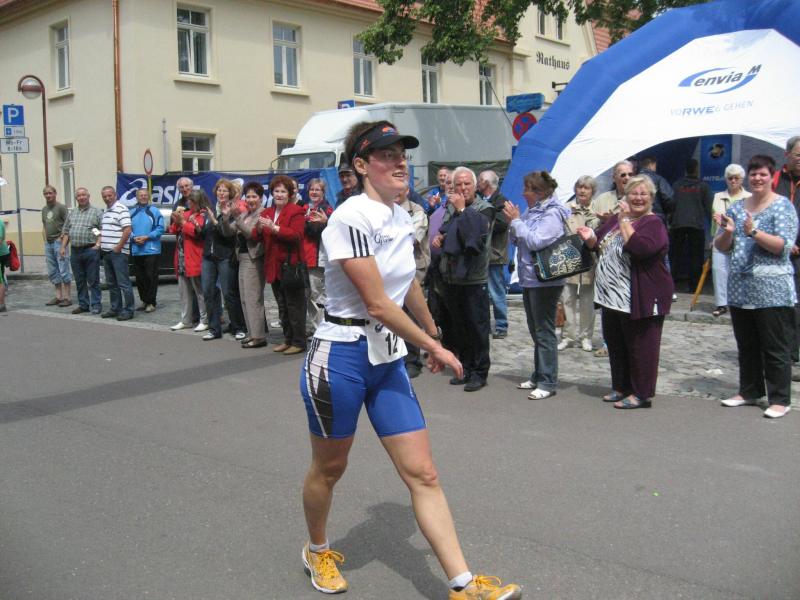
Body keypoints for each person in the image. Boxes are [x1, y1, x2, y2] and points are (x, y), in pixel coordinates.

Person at [299, 119, 521, 600]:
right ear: (361, 166)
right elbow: (377, 304)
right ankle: (317, 549)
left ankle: (462, 584)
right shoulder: (350, 217)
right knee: (329, 469)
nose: (399, 161)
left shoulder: (400, 215)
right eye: (386, 154)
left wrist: (432, 330)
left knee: (424, 474)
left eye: (402, 153)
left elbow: (406, 285)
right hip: (339, 356)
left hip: (385, 358)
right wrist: (434, 347)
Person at [577, 175, 674, 409]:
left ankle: (641, 394)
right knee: (616, 344)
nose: (638, 198)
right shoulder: (616, 219)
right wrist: (589, 237)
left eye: (643, 194)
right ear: (626, 196)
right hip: (612, 297)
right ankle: (621, 387)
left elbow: (641, 248)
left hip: (640, 296)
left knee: (642, 348)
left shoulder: (653, 223)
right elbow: (598, 243)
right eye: (633, 193)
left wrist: (624, 222)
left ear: (651, 198)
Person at [714, 155, 798, 419]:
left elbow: (783, 246)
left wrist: (753, 232)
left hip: (772, 289)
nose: (757, 178)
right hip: (741, 288)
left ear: (771, 177)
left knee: (775, 347)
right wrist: (729, 232)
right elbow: (721, 246)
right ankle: (749, 391)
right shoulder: (737, 208)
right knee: (747, 344)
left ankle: (780, 399)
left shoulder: (782, 206)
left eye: (763, 174)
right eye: (753, 174)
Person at [503, 171, 571, 400]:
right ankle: (539, 373)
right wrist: (513, 225)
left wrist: (516, 222)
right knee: (535, 330)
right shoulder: (532, 211)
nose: (523, 193)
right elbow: (519, 238)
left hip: (545, 280)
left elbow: (536, 241)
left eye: (527, 189)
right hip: (530, 277)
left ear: (539, 192)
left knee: (544, 330)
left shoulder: (552, 213)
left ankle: (548, 381)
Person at [434, 166, 495, 392]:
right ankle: (466, 369)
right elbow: (451, 231)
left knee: (477, 328)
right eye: (458, 184)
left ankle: (480, 372)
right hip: (452, 278)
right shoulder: (452, 208)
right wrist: (442, 238)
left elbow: (474, 237)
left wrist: (461, 210)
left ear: (475, 186)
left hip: (474, 278)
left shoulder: (485, 209)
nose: (462, 188)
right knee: (460, 328)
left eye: (466, 184)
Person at [255, 175, 307, 355]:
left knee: (295, 306)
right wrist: (259, 229)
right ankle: (288, 339)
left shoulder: (296, 211)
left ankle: (299, 342)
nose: (279, 194)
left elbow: (296, 236)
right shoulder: (267, 212)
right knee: (282, 306)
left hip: (291, 266)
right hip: (274, 266)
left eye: (283, 191)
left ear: (290, 194)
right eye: (276, 191)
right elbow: (257, 236)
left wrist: (274, 228)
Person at [199, 179, 246, 341]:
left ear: (230, 193)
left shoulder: (234, 210)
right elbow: (206, 233)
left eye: (225, 190)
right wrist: (198, 226)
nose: (221, 193)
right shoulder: (211, 208)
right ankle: (214, 329)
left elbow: (229, 234)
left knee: (228, 293)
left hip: (225, 255)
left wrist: (215, 220)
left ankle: (238, 327)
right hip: (208, 256)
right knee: (208, 291)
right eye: (219, 190)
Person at [223, 181, 268, 348]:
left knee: (253, 298)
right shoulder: (245, 214)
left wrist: (236, 217)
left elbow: (250, 234)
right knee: (244, 299)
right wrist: (226, 217)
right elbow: (229, 232)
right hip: (241, 258)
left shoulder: (262, 214)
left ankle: (259, 336)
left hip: (254, 259)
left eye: (254, 196)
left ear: (261, 198)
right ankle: (252, 333)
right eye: (248, 196)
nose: (250, 200)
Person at [559, 176, 600, 352]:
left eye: (586, 188)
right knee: (567, 299)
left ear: (592, 191)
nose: (582, 191)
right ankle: (568, 336)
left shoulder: (597, 210)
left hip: (589, 260)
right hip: (569, 258)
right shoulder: (566, 209)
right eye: (580, 187)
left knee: (587, 302)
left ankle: (585, 337)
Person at [772, 136, 800, 378]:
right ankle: (789, 355)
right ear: (787, 154)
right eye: (798, 155)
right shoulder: (774, 180)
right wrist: (784, 243)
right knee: (785, 307)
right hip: (778, 252)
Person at [396, 184, 430, 378]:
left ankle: (412, 360)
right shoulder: (384, 210)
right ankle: (396, 357)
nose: (396, 192)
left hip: (414, 268)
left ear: (408, 191)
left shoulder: (417, 211)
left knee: (411, 314)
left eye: (400, 189)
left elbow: (411, 239)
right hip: (392, 270)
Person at [710, 164, 750, 317]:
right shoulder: (718, 196)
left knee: (739, 270)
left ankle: (739, 300)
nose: (733, 181)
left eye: (736, 178)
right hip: (721, 236)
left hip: (741, 238)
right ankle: (721, 304)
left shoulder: (749, 197)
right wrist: (712, 237)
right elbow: (714, 220)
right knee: (718, 270)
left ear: (742, 179)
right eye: (730, 178)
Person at [669, 158, 713, 293]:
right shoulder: (703, 186)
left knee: (674, 256)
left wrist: (669, 222)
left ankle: (670, 285)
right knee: (696, 257)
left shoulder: (677, 185)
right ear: (696, 169)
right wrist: (714, 228)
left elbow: (671, 205)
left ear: (686, 170)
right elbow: (709, 208)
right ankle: (694, 287)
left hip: (678, 224)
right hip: (696, 225)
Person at [169, 189, 208, 332]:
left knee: (200, 291)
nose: (189, 204)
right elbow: (172, 230)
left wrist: (183, 223)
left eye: (192, 201)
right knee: (183, 292)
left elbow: (196, 232)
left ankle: (205, 320)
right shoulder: (185, 213)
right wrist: (176, 220)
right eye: (188, 201)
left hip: (194, 257)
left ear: (198, 202)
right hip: (181, 257)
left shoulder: (202, 214)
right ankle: (186, 320)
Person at [478, 170, 510, 340]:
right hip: (480, 255)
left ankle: (501, 325)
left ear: (486, 183)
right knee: (482, 292)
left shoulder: (501, 201)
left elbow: (501, 224)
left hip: (494, 254)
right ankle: (485, 324)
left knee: (497, 291)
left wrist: (482, 220)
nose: (477, 183)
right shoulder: (479, 199)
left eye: (480, 180)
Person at [60, 187, 103, 315]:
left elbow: (102, 230)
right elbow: (66, 231)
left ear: (88, 196)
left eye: (84, 195)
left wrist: (98, 244)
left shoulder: (96, 212)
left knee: (93, 280)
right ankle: (83, 304)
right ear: (76, 198)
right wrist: (63, 247)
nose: (81, 197)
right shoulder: (72, 213)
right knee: (79, 280)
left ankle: (96, 304)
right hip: (75, 251)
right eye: (79, 196)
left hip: (90, 250)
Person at [302, 178, 334, 335]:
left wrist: (315, 223)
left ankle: (322, 330)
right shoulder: (305, 208)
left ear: (323, 192)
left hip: (318, 259)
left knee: (318, 296)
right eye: (312, 189)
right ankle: (315, 327)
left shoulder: (326, 209)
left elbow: (313, 231)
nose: (314, 192)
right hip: (304, 258)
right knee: (307, 296)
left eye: (317, 190)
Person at [99, 186, 134, 321]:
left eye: (110, 195)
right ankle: (115, 308)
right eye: (104, 196)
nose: (107, 198)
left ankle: (129, 310)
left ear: (115, 195)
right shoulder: (106, 210)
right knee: (111, 283)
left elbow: (128, 230)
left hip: (118, 252)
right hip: (106, 252)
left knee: (123, 283)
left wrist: (119, 247)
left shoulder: (121, 209)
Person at [130, 188, 164, 313]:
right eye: (141, 195)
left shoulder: (155, 211)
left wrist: (147, 237)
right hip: (136, 250)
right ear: (137, 197)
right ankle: (144, 301)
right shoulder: (131, 212)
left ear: (148, 197)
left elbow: (160, 228)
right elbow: (126, 228)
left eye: (145, 195)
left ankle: (151, 302)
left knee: (151, 277)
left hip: (151, 250)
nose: (143, 197)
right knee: (140, 278)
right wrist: (133, 238)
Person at [41, 185, 72, 307]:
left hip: (59, 242)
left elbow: (68, 225)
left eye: (50, 193)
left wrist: (62, 241)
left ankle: (67, 297)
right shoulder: (44, 209)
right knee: (52, 270)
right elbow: (44, 226)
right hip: (48, 243)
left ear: (55, 193)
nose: (48, 195)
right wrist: (45, 240)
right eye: (46, 193)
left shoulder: (61, 208)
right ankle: (58, 296)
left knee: (63, 269)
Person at [0, 217, 9, 312]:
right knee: (1, 277)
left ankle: (2, 304)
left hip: (1, 253)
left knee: (0, 280)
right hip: (3, 253)